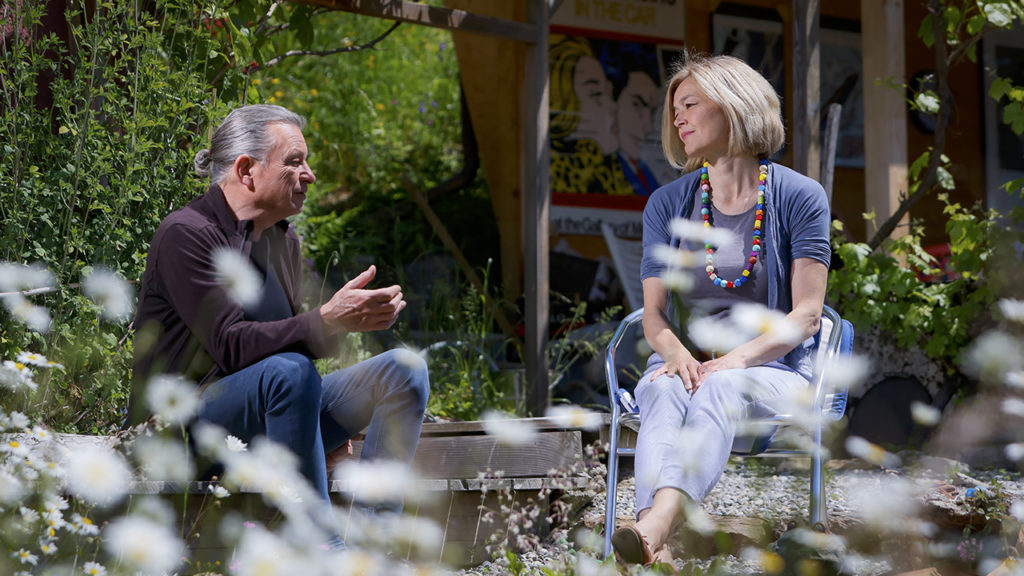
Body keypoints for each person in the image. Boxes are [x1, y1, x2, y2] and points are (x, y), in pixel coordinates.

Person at [129, 104, 430, 543]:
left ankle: (377, 544)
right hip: (183, 434)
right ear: (247, 169)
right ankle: (322, 549)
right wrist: (324, 319)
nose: (309, 174)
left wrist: (344, 323)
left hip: (266, 420)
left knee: (405, 370)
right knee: (289, 372)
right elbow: (230, 345)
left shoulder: (282, 239)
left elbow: (294, 344)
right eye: (295, 161)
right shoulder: (188, 233)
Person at [609, 53, 831, 565]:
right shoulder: (667, 203)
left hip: (772, 371)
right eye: (674, 111)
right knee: (662, 386)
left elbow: (807, 316)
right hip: (692, 364)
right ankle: (654, 543)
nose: (677, 119)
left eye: (689, 104)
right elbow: (654, 315)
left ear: (734, 105)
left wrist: (732, 362)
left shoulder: (801, 196)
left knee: (722, 385)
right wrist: (678, 355)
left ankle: (653, 527)